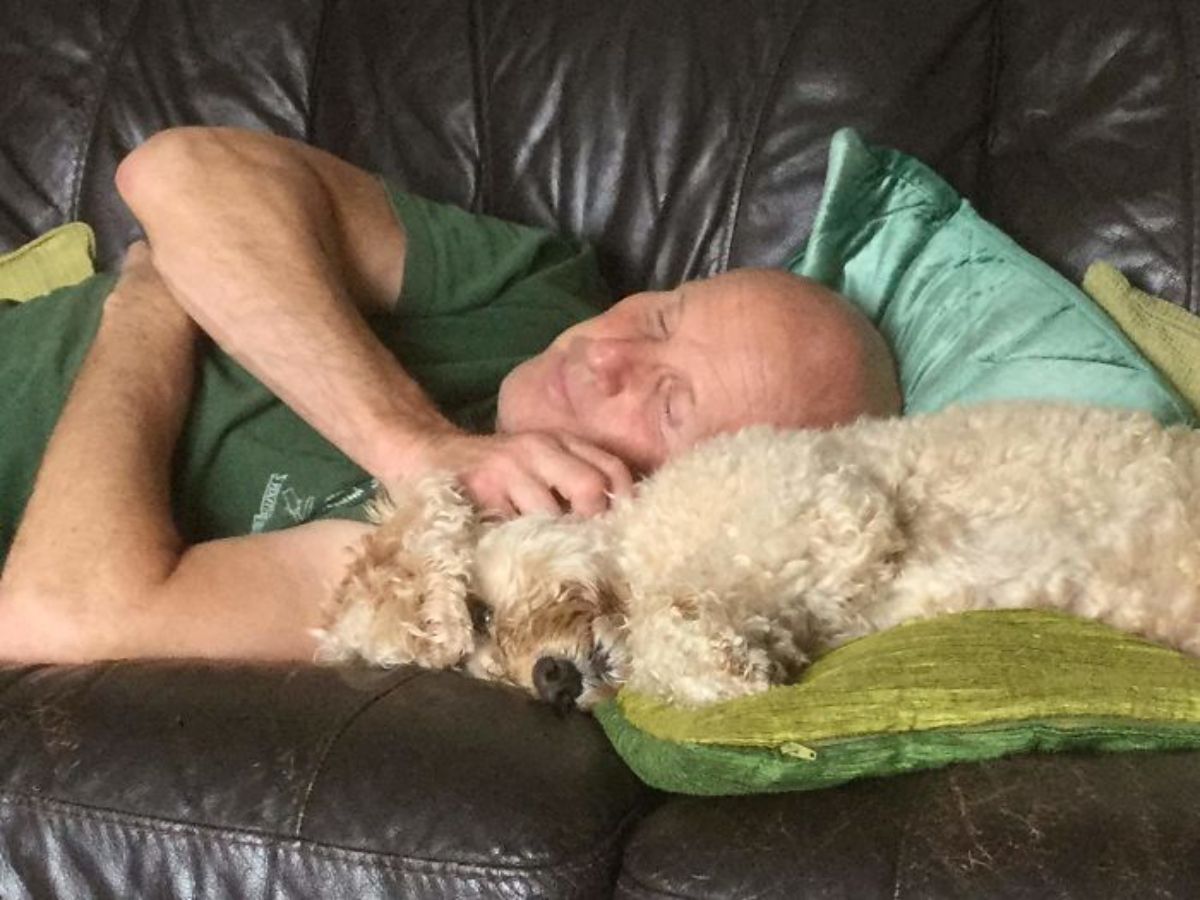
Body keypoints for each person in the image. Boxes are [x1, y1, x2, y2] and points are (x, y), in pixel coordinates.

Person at [0, 127, 901, 665]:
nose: (609, 353)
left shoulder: (456, 576)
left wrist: (152, 304)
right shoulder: (542, 293)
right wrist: (409, 443)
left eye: (670, 403)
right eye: (663, 316)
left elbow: (59, 612)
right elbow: (174, 173)